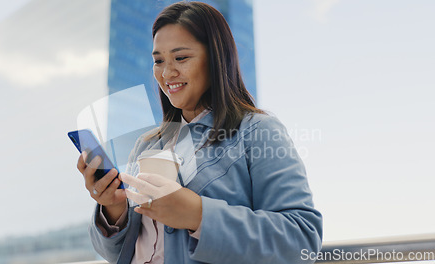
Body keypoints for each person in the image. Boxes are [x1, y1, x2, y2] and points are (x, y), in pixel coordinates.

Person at [76, 2, 323, 263]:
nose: (166, 73)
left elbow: (302, 239)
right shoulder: (147, 144)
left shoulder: (258, 131)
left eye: (180, 58)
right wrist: (114, 210)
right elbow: (120, 254)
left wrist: (198, 214)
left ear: (215, 59)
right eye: (158, 60)